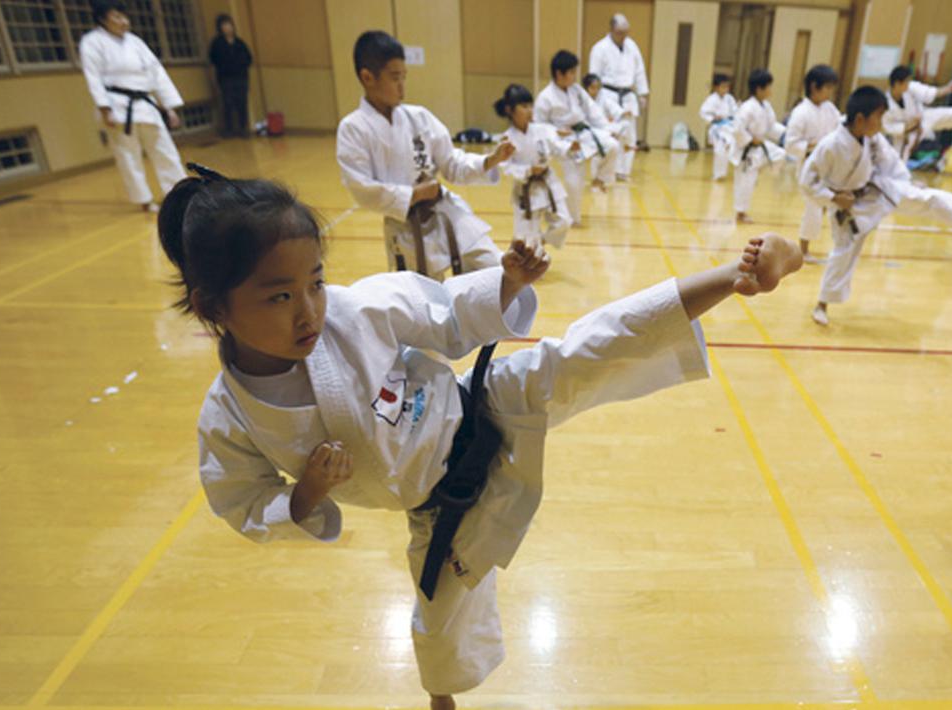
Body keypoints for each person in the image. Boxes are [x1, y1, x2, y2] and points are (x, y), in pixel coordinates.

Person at [158, 162, 803, 710]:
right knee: (436, 634)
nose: (309, 310)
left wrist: (509, 285)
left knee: (586, 351)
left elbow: (442, 311)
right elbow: (241, 501)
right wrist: (306, 497)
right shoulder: (229, 419)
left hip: (478, 409)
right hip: (436, 509)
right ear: (214, 309)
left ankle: (739, 275)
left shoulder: (358, 311)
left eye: (316, 282)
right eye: (279, 297)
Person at [802, 87, 952, 325]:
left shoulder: (873, 138)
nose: (882, 123)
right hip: (847, 207)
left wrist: (909, 181)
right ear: (861, 118)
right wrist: (833, 197)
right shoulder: (830, 145)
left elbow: (890, 162)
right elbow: (807, 181)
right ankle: (822, 304)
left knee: (917, 196)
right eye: (879, 117)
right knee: (843, 255)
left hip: (875, 190)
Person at [336, 31, 515, 280]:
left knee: (496, 270)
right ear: (368, 77)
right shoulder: (353, 128)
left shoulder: (418, 117)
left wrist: (490, 160)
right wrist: (414, 194)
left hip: (445, 210)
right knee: (428, 302)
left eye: (404, 77)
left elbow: (451, 162)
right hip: (404, 226)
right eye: (395, 77)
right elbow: (361, 188)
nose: (402, 86)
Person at [79, 0, 186, 212]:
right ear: (102, 19)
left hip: (146, 104)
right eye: (116, 17)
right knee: (128, 155)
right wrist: (104, 108)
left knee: (165, 150)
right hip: (118, 106)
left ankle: (179, 194)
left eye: (124, 16)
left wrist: (169, 106)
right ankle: (144, 200)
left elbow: (157, 73)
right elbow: (93, 78)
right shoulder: (92, 42)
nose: (123, 21)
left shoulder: (135, 42)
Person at [533, 50, 622, 228]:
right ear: (559, 74)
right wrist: (557, 132)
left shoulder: (577, 90)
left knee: (613, 145)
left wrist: (607, 128)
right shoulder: (545, 98)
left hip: (584, 134)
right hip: (564, 142)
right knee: (574, 183)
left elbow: (593, 111)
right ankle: (573, 219)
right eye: (571, 72)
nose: (575, 76)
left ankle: (600, 180)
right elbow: (538, 126)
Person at [495, 84, 572, 251]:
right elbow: (505, 167)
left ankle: (540, 241)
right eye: (524, 106)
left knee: (564, 221)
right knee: (525, 241)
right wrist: (528, 171)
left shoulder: (543, 130)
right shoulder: (507, 139)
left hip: (548, 181)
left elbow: (557, 145)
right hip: (525, 189)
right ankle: (527, 249)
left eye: (530, 105)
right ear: (509, 110)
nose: (529, 110)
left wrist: (571, 147)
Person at [784, 64, 841, 263]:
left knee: (830, 206)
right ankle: (803, 249)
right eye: (827, 88)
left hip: (830, 166)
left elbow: (840, 130)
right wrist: (812, 145)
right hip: (810, 167)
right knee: (813, 209)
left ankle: (834, 247)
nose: (830, 92)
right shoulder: (801, 112)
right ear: (815, 87)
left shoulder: (830, 109)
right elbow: (790, 144)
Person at [588, 13, 649, 179]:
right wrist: (594, 100)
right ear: (611, 30)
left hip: (628, 95)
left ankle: (623, 171)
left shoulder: (632, 46)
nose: (623, 36)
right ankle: (606, 171)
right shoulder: (599, 48)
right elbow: (593, 76)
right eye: (620, 32)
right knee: (608, 135)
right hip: (607, 95)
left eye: (626, 32)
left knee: (629, 136)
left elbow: (639, 71)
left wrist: (643, 93)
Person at [883, 65, 952, 163]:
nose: (908, 84)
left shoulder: (910, 87)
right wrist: (911, 125)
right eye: (906, 82)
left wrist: (948, 89)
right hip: (905, 134)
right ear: (897, 84)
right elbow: (889, 127)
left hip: (924, 118)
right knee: (900, 159)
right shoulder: (885, 104)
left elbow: (930, 93)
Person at [730, 69, 786, 223]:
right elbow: (737, 129)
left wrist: (785, 134)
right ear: (759, 89)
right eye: (769, 86)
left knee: (780, 154)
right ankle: (740, 213)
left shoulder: (766, 106)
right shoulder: (748, 107)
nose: (771, 90)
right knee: (745, 182)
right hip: (747, 149)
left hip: (760, 146)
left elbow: (772, 126)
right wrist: (750, 139)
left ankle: (759, 169)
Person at [582, 74, 635, 183]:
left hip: (603, 129)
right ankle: (596, 177)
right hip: (589, 131)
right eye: (593, 88)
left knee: (625, 124)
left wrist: (623, 112)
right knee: (603, 149)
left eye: (598, 87)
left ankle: (613, 173)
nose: (596, 90)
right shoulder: (582, 101)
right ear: (586, 88)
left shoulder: (603, 98)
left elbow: (614, 109)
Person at [208, 13, 254, 138]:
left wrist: (241, 66)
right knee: (227, 104)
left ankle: (243, 129)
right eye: (224, 25)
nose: (227, 27)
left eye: (229, 24)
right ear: (220, 27)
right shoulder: (217, 44)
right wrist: (214, 80)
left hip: (241, 78)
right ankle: (228, 130)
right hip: (225, 79)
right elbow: (213, 62)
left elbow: (249, 59)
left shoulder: (240, 43)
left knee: (242, 103)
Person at [699, 73, 737, 181]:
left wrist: (733, 116)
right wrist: (714, 118)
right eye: (723, 87)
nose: (725, 89)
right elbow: (703, 112)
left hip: (728, 127)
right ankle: (718, 174)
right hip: (717, 128)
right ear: (716, 87)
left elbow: (735, 111)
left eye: (727, 87)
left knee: (726, 150)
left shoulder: (729, 98)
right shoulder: (711, 99)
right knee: (719, 151)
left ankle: (722, 173)